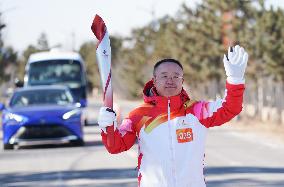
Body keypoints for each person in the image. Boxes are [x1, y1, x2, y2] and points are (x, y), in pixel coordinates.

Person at [98, 45, 248, 187]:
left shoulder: (197, 111)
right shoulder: (138, 116)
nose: (170, 80)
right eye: (164, 76)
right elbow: (116, 146)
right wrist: (107, 127)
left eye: (176, 76)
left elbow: (230, 108)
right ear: (154, 80)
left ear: (182, 81)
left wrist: (235, 80)